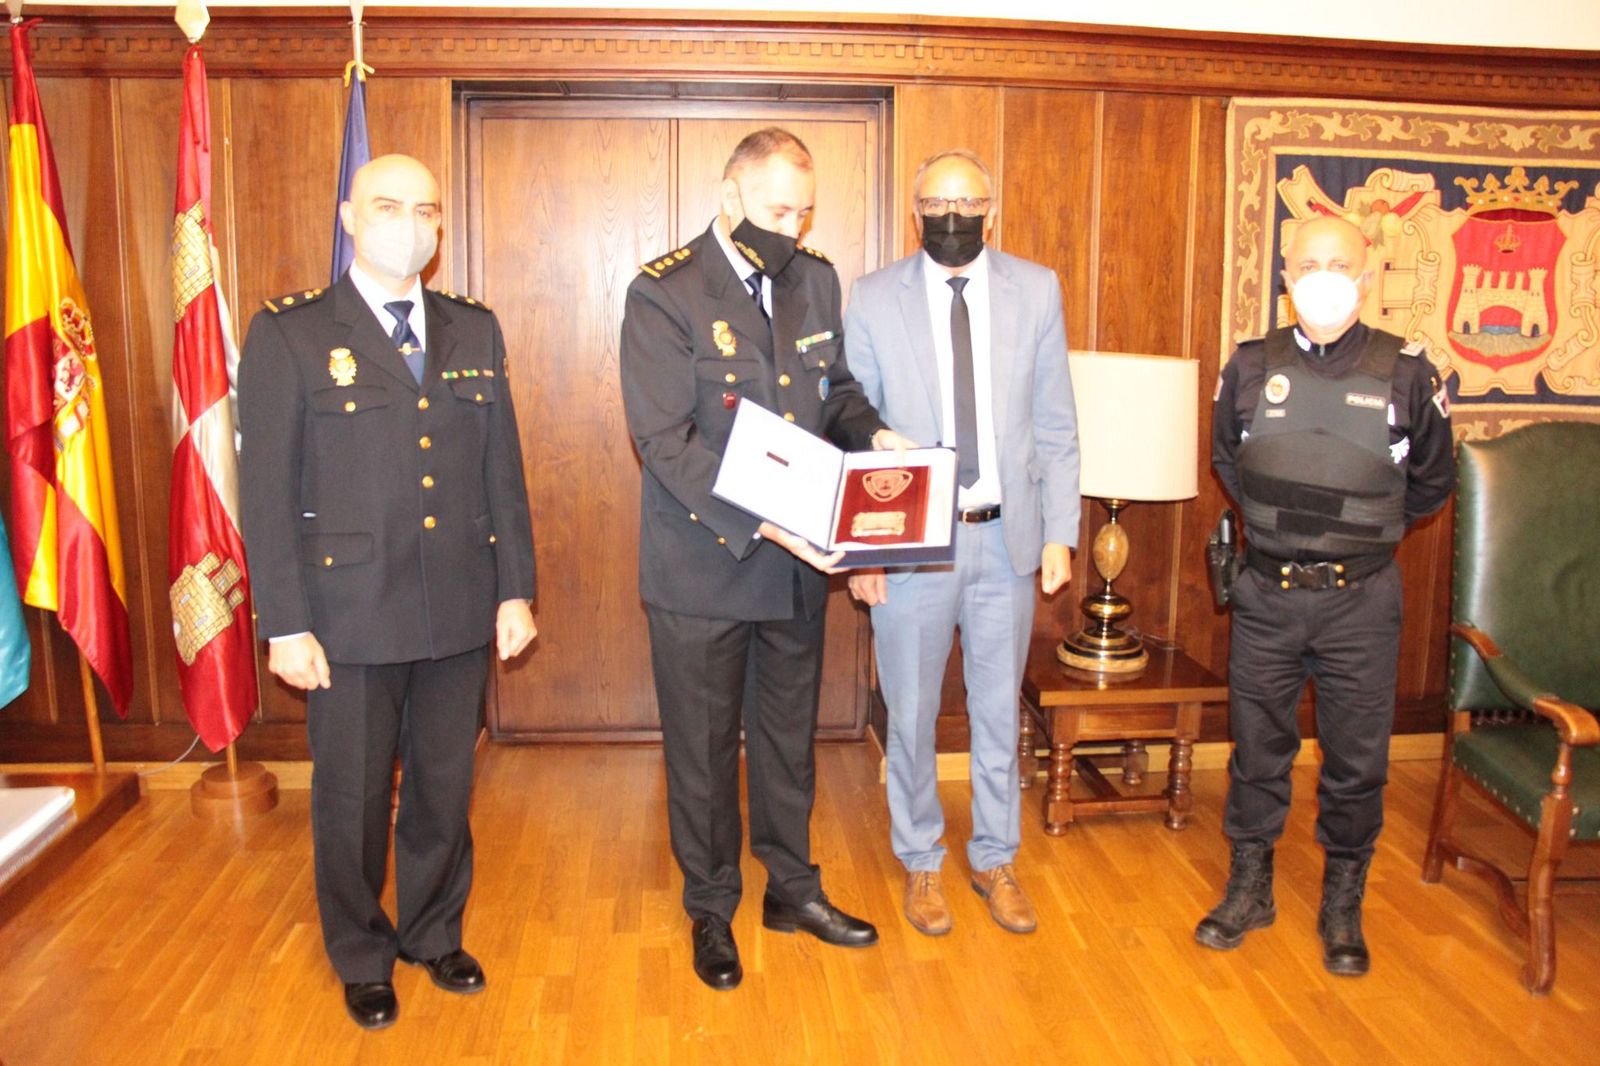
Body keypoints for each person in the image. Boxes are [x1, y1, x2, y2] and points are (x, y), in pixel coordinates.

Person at [238, 154, 538, 1029]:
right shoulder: (292, 332)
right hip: (349, 614)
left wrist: (515, 590)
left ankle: (433, 933)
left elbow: (503, 470)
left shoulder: (473, 328)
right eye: (388, 207)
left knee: (444, 785)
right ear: (348, 216)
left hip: (457, 601)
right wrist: (284, 623)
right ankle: (362, 952)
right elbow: (265, 493)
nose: (410, 225)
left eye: (426, 210)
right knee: (354, 796)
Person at [619, 127, 912, 991]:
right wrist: (774, 524)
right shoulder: (665, 292)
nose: (791, 227)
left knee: (787, 742)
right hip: (706, 564)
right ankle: (712, 908)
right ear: (731, 195)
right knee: (705, 752)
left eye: (803, 213)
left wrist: (875, 436)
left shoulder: (813, 280)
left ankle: (792, 889)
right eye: (778, 210)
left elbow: (835, 393)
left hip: (793, 571)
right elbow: (663, 442)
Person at [1198, 214, 1455, 975]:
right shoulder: (1249, 366)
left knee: (1358, 761)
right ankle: (1250, 887)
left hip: (1360, 603)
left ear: (1368, 277)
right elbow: (1228, 461)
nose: (1323, 277)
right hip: (1266, 597)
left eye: (1339, 264)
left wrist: (1358, 536)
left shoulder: (1409, 373)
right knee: (1256, 751)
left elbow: (1431, 483)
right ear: (1285, 279)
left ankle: (1343, 902)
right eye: (1307, 264)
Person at [844, 149, 1080, 936]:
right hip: (913, 544)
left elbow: (1055, 422)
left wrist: (1061, 533)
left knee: (996, 713)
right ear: (915, 212)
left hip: (1006, 541)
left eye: (968, 203)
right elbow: (854, 430)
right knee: (910, 715)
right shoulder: (872, 298)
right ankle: (921, 859)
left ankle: (995, 857)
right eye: (937, 204)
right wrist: (865, 553)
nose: (953, 216)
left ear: (992, 210)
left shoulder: (1036, 290)